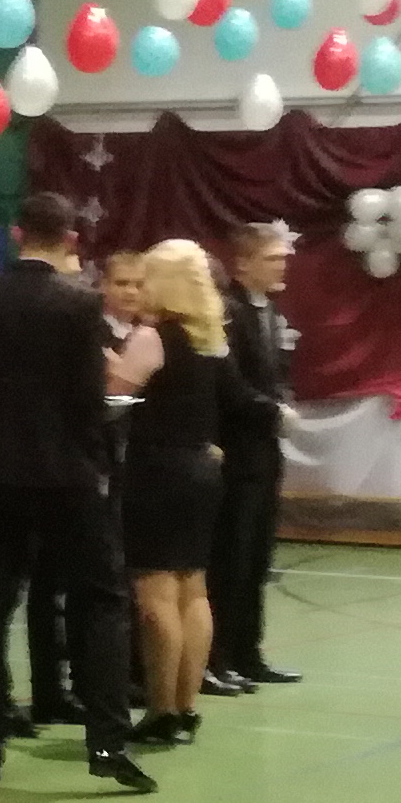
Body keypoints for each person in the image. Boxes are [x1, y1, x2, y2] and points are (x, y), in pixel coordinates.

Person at [0, 195, 150, 795]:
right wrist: (97, 454)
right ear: (71, 239)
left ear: (17, 234)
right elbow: (86, 398)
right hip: (67, 476)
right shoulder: (79, 304)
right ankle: (106, 743)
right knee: (101, 603)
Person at [115, 238, 232, 745]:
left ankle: (160, 708)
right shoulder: (209, 339)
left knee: (155, 593)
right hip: (201, 466)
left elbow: (116, 395)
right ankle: (187, 706)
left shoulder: (152, 336)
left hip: (157, 469)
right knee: (193, 589)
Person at [210, 221, 299, 689]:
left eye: (283, 257)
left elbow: (274, 374)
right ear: (243, 263)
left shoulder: (272, 311)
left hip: (265, 453)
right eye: (272, 258)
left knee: (258, 559)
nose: (282, 265)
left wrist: (282, 401)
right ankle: (220, 655)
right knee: (232, 558)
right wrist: (271, 409)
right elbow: (230, 383)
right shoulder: (229, 312)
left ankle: (249, 653)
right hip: (237, 452)